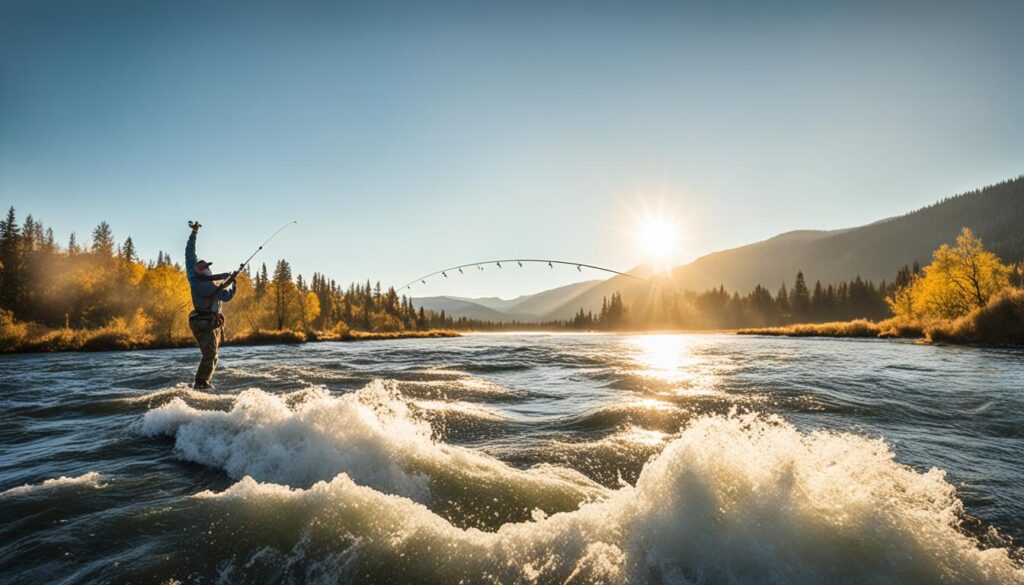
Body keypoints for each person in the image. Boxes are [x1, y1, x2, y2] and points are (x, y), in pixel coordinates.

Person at [185, 221, 241, 389]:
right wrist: (233, 284)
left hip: (200, 322)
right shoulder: (207, 286)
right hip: (205, 324)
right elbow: (226, 296)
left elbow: (189, 252)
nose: (208, 269)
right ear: (203, 272)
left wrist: (194, 233)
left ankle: (202, 383)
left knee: (212, 355)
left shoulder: (193, 274)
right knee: (210, 355)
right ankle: (200, 384)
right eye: (206, 268)